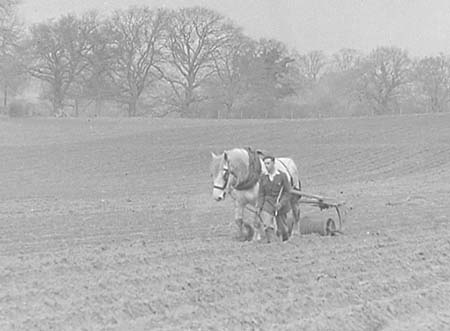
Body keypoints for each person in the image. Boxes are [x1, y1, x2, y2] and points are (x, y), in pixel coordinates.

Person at [256, 155, 292, 242]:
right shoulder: (263, 177)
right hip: (268, 203)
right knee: (267, 224)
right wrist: (259, 206)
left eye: (268, 163)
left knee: (283, 229)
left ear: (273, 163)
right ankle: (272, 243)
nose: (266, 166)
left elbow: (287, 193)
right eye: (265, 164)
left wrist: (281, 204)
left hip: (280, 204)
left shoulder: (282, 176)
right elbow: (261, 194)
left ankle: (285, 240)